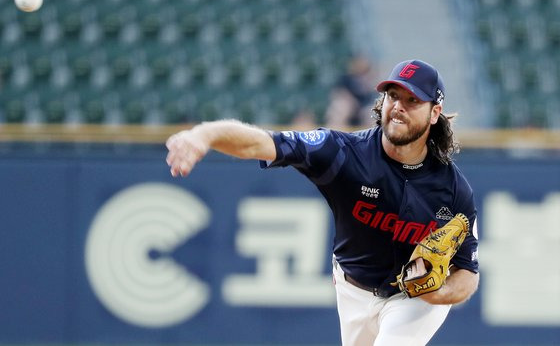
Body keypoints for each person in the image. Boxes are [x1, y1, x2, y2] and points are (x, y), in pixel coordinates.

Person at [166, 59, 480, 346]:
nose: (398, 106)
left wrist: (436, 291)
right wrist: (204, 135)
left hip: (413, 299)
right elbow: (261, 143)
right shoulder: (343, 153)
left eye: (413, 100)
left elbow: (467, 274)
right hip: (353, 289)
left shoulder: (453, 191)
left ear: (434, 113)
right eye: (393, 96)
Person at [325, 55, 378, 128]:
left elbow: (373, 97)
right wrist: (351, 101)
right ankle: (333, 134)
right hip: (349, 105)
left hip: (363, 108)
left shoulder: (368, 80)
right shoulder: (346, 78)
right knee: (341, 107)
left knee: (371, 113)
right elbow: (337, 92)